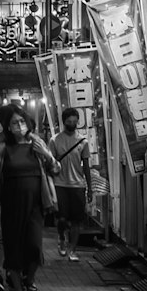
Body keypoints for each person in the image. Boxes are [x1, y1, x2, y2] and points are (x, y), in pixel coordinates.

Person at [0, 103, 59, 291]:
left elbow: (56, 168)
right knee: (12, 246)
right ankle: (18, 290)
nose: (20, 125)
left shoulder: (37, 143)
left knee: (34, 245)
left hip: (36, 204)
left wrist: (46, 154)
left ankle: (29, 281)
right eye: (14, 122)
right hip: (11, 204)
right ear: (7, 126)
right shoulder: (3, 149)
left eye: (22, 121)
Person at [48, 107, 93, 261]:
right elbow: (49, 163)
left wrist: (90, 187)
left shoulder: (83, 141)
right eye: (69, 122)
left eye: (74, 121)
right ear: (64, 122)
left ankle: (72, 250)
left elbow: (86, 165)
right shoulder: (55, 140)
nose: (72, 124)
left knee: (76, 220)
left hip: (78, 185)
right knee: (61, 218)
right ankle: (61, 237)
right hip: (59, 184)